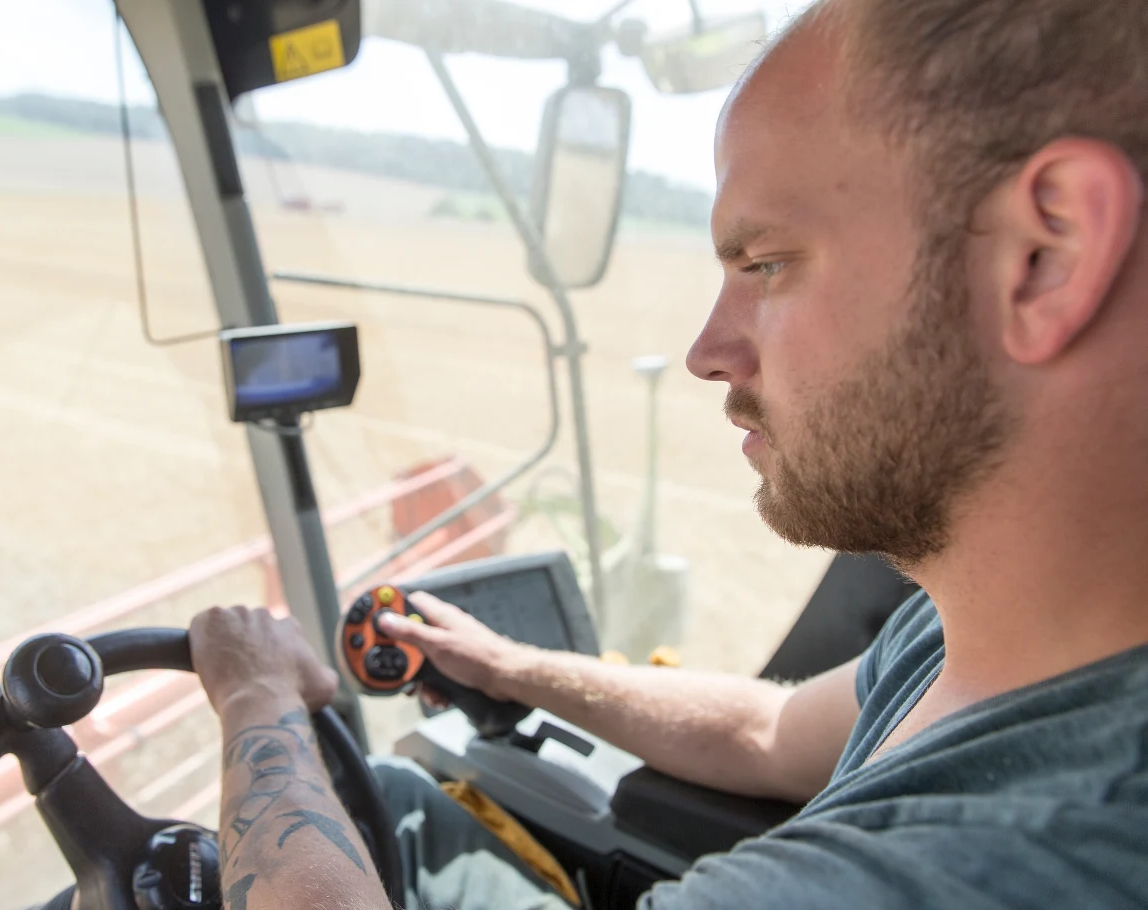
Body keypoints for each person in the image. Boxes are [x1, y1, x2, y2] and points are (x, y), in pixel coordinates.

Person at [188, 0, 1148, 906]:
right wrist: (507, 664)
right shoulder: (987, 631)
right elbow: (764, 731)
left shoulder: (988, 862)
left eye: (767, 264)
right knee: (398, 803)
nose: (705, 352)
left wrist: (258, 697)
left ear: (1043, 257)